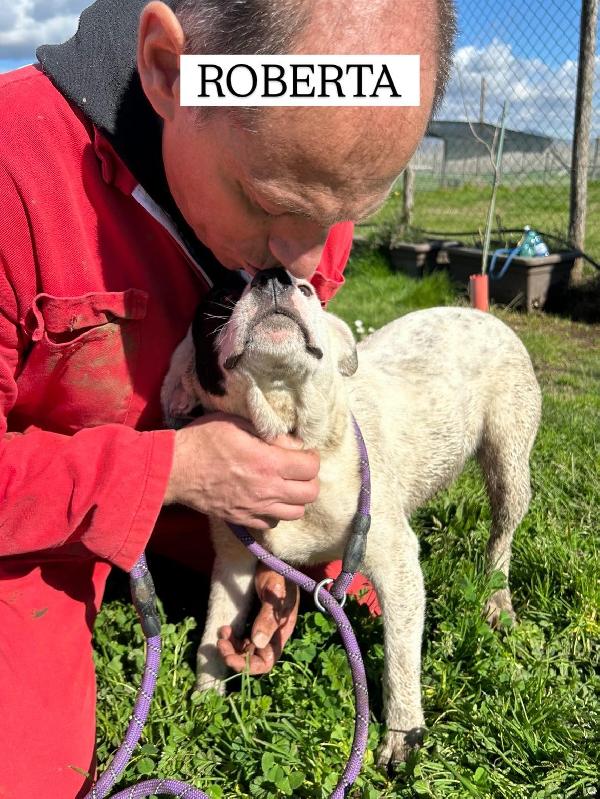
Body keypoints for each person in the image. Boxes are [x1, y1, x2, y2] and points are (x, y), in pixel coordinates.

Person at [0, 0, 456, 795]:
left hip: (210, 529)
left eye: (342, 213)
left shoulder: (304, 178)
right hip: (38, 523)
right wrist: (166, 471)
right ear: (170, 72)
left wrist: (275, 547)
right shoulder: (13, 167)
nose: (305, 262)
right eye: (268, 202)